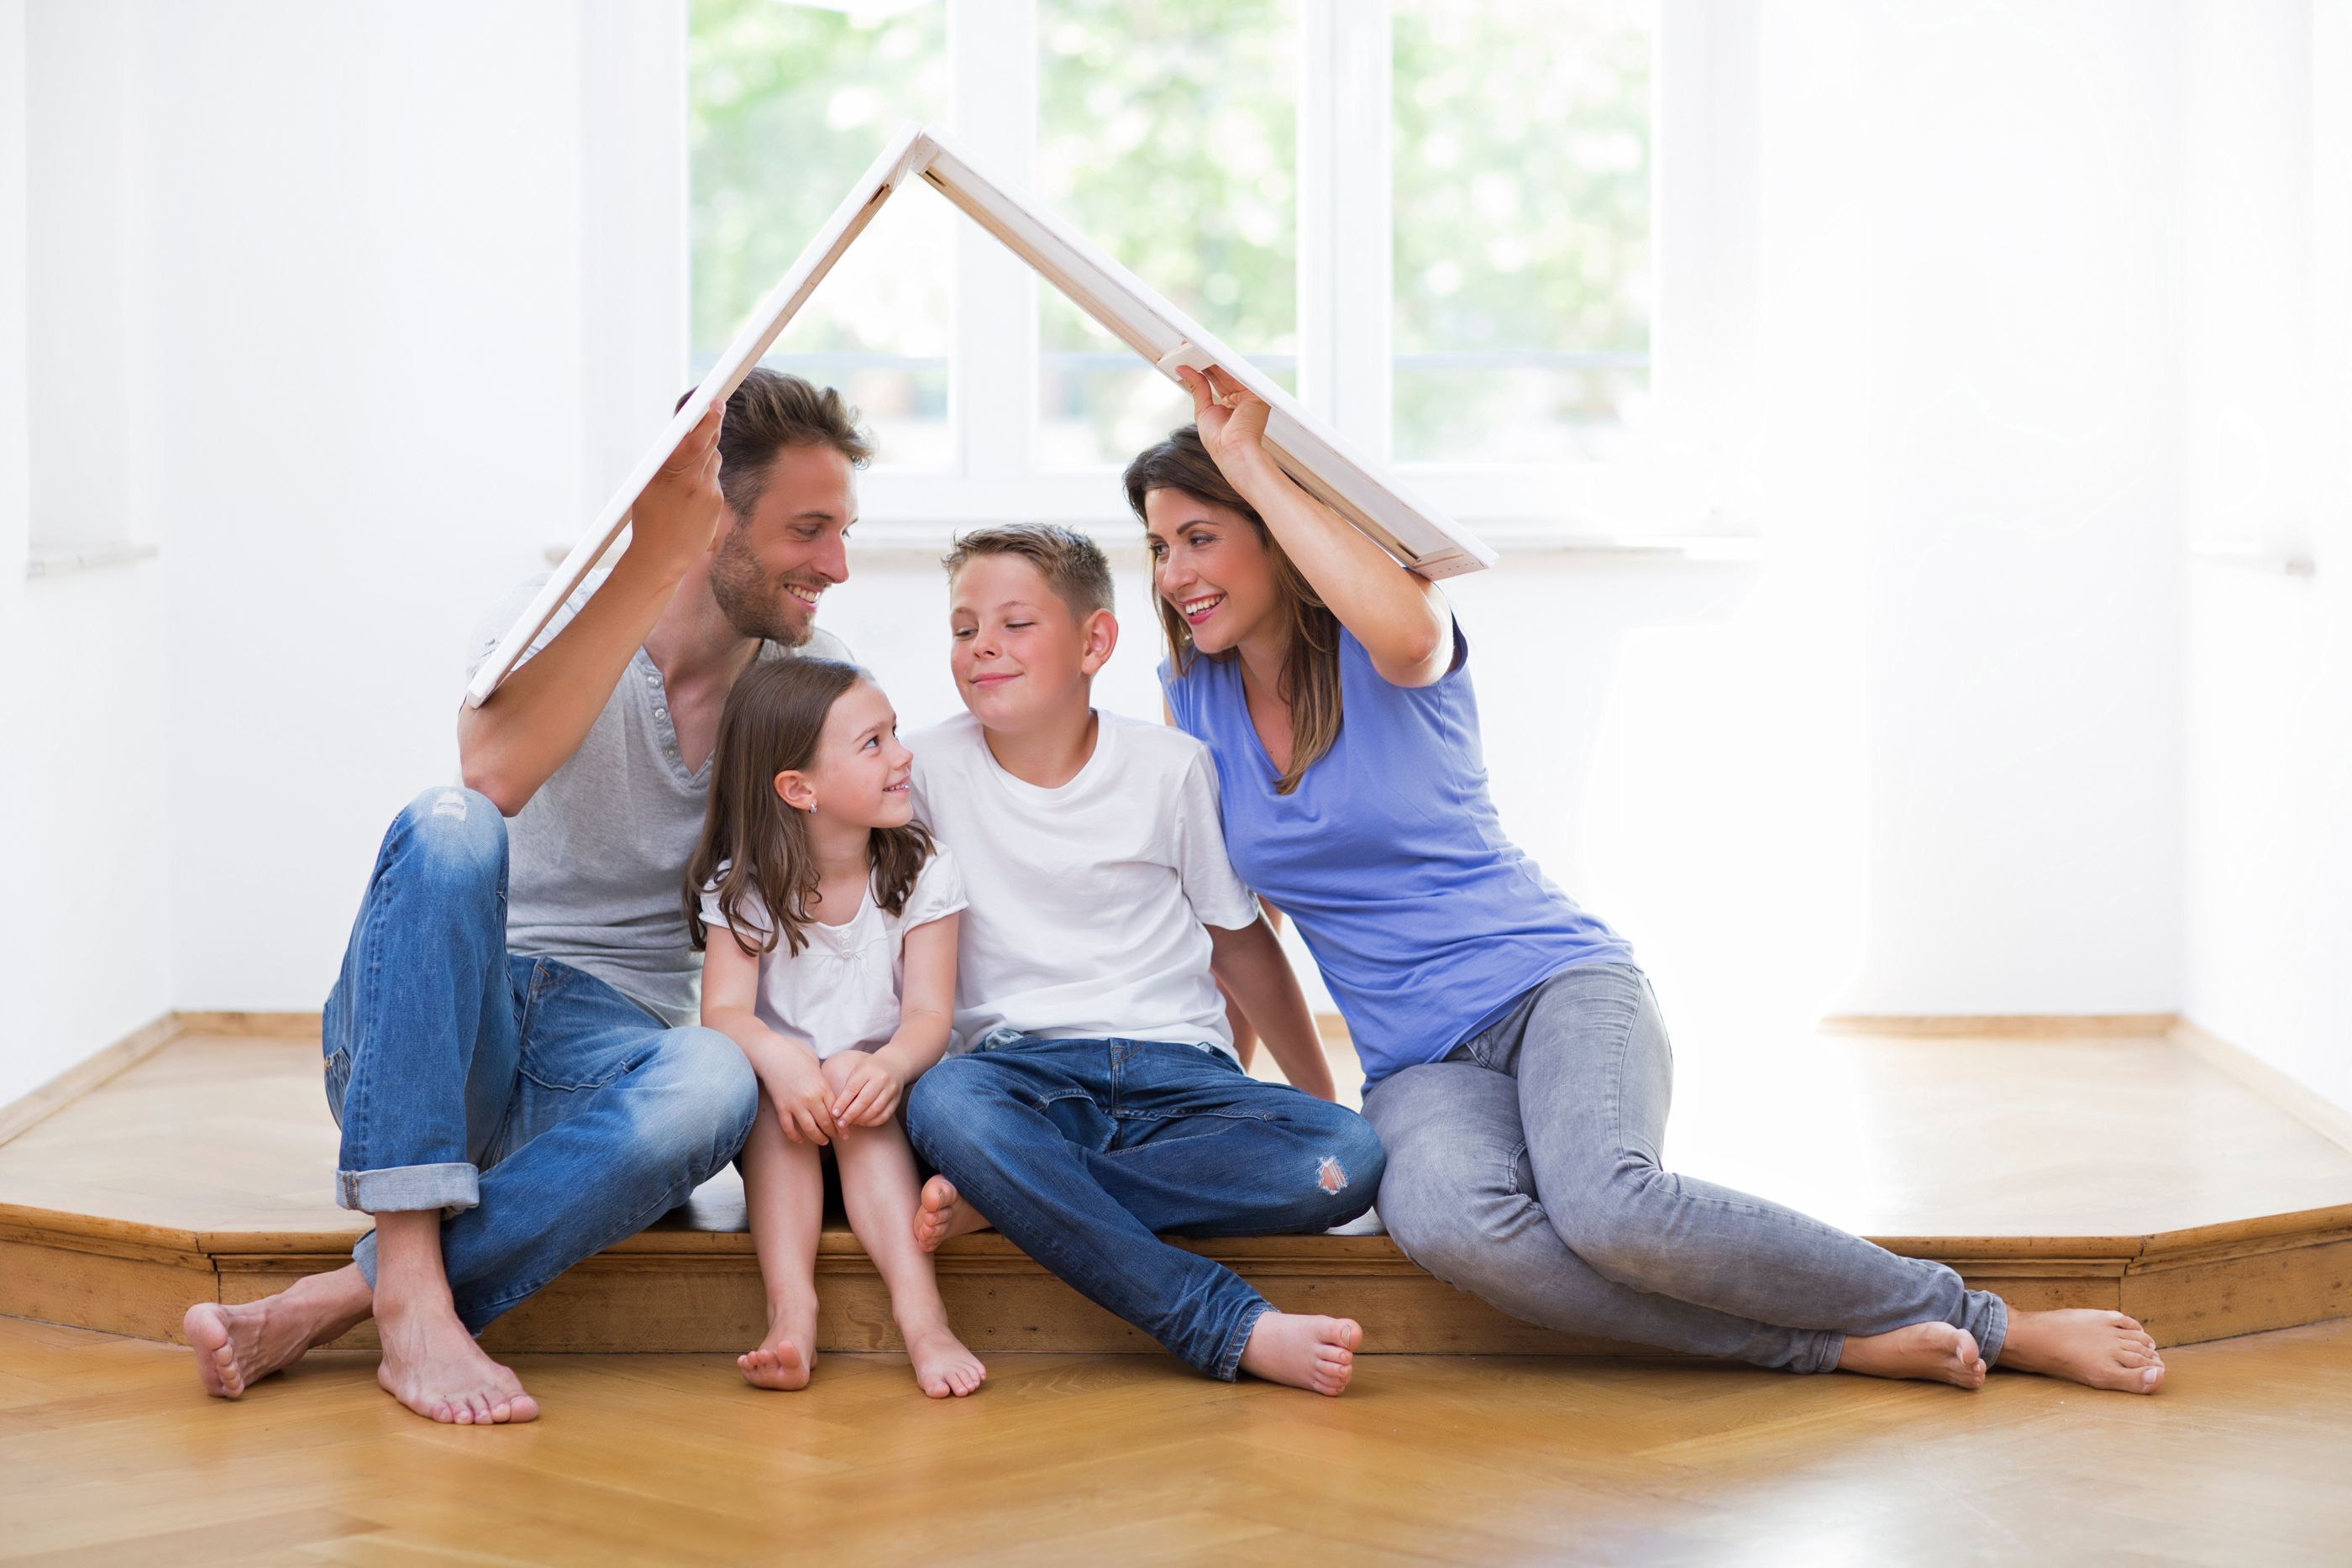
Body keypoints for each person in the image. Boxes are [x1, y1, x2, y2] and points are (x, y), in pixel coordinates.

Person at [1132, 364, 2166, 1397]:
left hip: (1550, 986)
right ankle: (1828, 1344)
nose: (1176, 572)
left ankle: (1994, 1321)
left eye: (1200, 536)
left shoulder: (1390, 629)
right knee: (1452, 1228)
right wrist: (1301, 1109)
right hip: (1417, 1062)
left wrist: (1248, 461)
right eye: (1158, 547)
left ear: (1275, 530)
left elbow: (1406, 641)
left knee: (1609, 1206)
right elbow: (1242, 922)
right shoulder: (1193, 692)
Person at [181, 370, 874, 1424]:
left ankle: (346, 1296)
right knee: (447, 824)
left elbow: (831, 901)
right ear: (710, 517)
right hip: (449, 1027)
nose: (835, 565)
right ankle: (410, 1284)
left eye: (843, 531)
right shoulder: (542, 609)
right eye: (809, 529)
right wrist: (651, 556)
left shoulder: (809, 680)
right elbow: (493, 776)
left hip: (610, 1064)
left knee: (715, 1075)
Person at [897, 525, 1384, 1398]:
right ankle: (1227, 1322)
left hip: (1179, 1074)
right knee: (943, 1101)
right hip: (1020, 1080)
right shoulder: (924, 769)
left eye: (1014, 624)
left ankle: (1013, 1194)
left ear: (1095, 642)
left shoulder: (1170, 767)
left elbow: (1240, 942)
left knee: (1345, 1155)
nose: (982, 650)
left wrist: (1314, 1099)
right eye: (964, 628)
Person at [687, 657, 984, 1398]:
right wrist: (782, 1059)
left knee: (853, 1088)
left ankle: (923, 1316)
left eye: (893, 733)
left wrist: (885, 1067)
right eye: (873, 742)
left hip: (876, 1109)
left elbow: (929, 1014)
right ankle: (793, 1312)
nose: (902, 753)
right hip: (786, 1117)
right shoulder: (745, 887)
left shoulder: (922, 869)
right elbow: (723, 1012)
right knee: (769, 1099)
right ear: (799, 788)